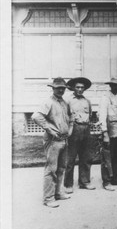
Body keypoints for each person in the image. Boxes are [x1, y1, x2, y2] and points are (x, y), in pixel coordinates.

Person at [32, 77, 71, 207]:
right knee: (51, 169)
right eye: (58, 88)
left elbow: (70, 118)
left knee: (61, 168)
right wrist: (50, 130)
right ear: (53, 88)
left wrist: (69, 130)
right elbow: (36, 116)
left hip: (64, 139)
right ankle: (48, 198)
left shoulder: (64, 102)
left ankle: (58, 193)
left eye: (63, 88)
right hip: (53, 140)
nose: (61, 90)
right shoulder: (48, 102)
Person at [64, 77, 95, 193]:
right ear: (73, 88)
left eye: (82, 87)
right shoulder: (68, 100)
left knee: (86, 157)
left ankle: (85, 182)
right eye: (77, 87)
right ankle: (68, 184)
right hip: (74, 128)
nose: (80, 89)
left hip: (86, 128)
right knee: (70, 158)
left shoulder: (87, 101)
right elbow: (65, 116)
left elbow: (90, 115)